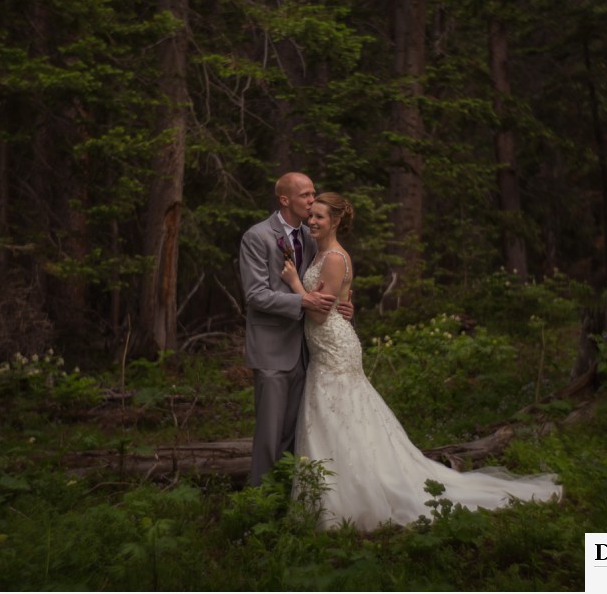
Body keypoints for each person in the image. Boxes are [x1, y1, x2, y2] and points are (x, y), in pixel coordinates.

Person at [279, 192, 562, 531]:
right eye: (312, 216)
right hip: (326, 350)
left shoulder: (336, 257)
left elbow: (322, 316)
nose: (312, 221)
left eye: (320, 217)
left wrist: (294, 282)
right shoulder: (320, 252)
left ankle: (356, 498)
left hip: (334, 348)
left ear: (336, 221)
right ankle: (330, 494)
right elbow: (334, 301)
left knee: (340, 414)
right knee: (334, 419)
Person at [239, 172, 354, 486]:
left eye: (313, 193)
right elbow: (255, 294)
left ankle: (287, 497)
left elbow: (326, 281)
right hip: (272, 349)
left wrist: (343, 304)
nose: (311, 200)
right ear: (284, 200)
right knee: (269, 435)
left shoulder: (311, 234)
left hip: (307, 352)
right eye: (305, 195)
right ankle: (259, 501)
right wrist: (303, 303)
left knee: (293, 435)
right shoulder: (257, 236)